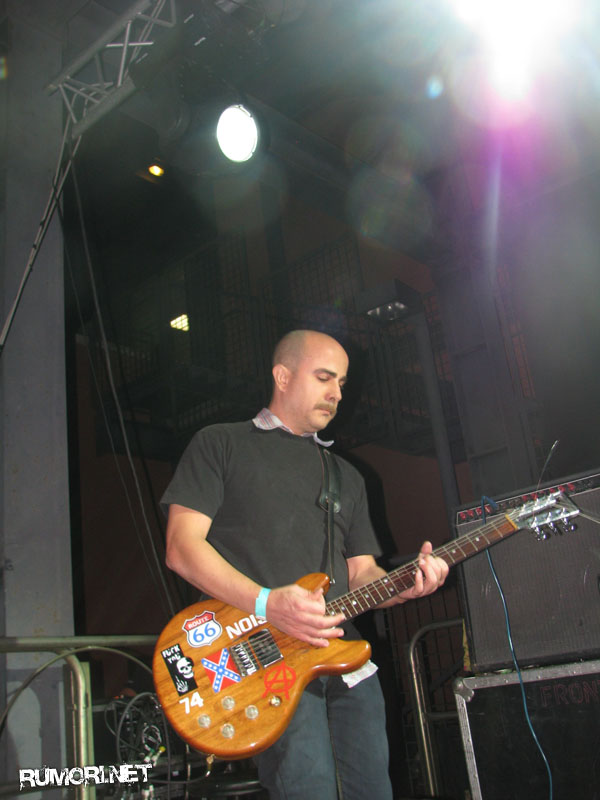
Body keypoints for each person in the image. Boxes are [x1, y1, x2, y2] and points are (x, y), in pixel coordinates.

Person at [162, 329, 448, 800]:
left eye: (342, 383)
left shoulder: (346, 476)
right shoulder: (220, 443)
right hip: (261, 657)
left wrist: (407, 584)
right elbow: (181, 547)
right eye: (324, 377)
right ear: (282, 376)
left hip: (345, 660)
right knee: (307, 787)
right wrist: (266, 603)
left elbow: (362, 574)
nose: (337, 393)